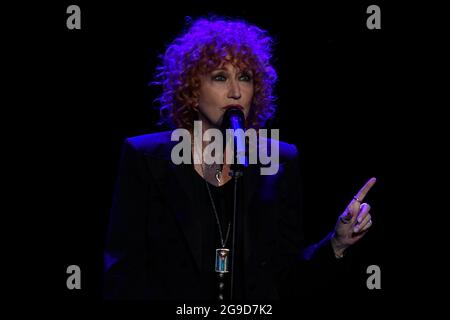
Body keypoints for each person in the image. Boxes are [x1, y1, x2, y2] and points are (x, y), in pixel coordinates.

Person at [103, 16, 376, 301]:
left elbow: (288, 278)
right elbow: (122, 272)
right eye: (220, 77)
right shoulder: (147, 157)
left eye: (245, 77)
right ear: (193, 91)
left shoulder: (279, 160)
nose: (235, 91)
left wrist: (337, 243)